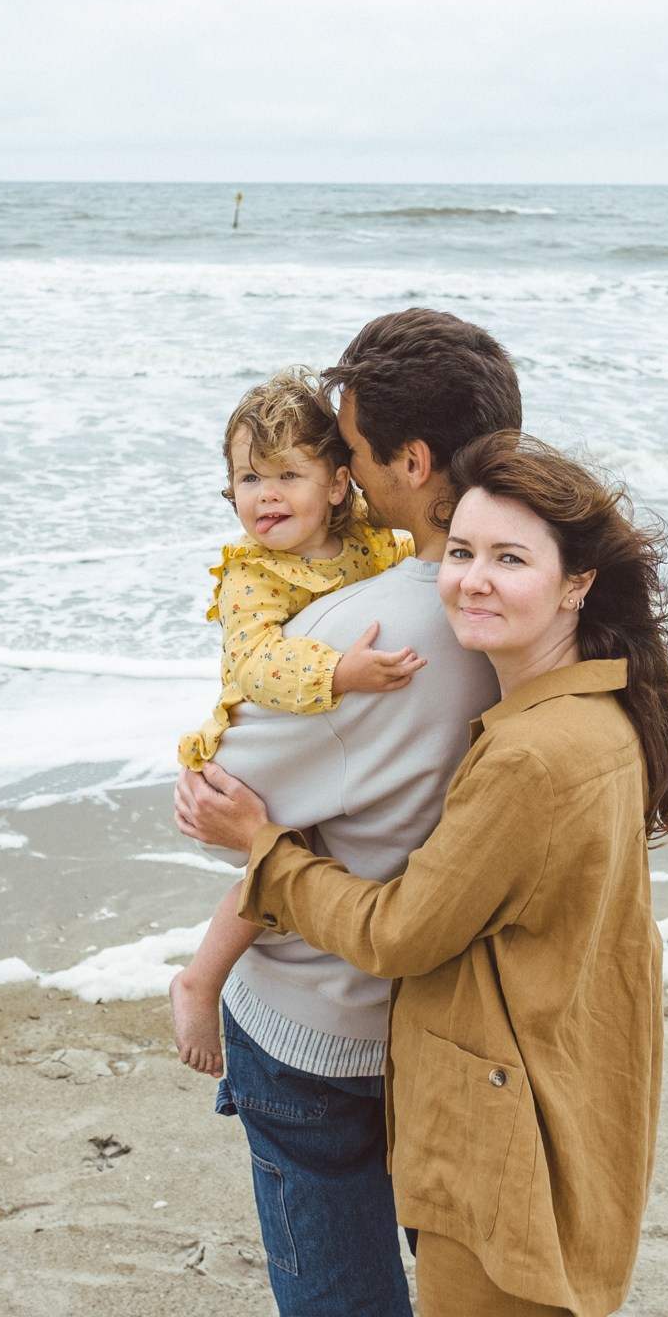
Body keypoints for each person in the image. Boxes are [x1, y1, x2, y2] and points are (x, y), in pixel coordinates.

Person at [178, 432, 668, 1316]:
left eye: (509, 559)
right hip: (565, 1080)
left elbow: (399, 933)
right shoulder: (596, 709)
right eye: (461, 552)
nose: (470, 579)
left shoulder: (531, 757)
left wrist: (263, 844)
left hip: (503, 1107)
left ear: (577, 582)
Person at [187, 310, 521, 1316]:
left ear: (409, 461)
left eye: (354, 453)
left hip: (318, 1027)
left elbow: (221, 799)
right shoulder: (534, 601)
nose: (348, 472)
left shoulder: (368, 629)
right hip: (457, 1018)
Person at [169, 367, 426, 1077]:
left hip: (326, 745)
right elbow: (256, 662)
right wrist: (342, 673)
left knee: (319, 858)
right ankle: (201, 977)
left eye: (288, 474)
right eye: (249, 479)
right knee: (281, 855)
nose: (267, 495)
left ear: (339, 484)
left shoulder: (372, 541)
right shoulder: (252, 574)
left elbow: (417, 564)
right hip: (266, 742)